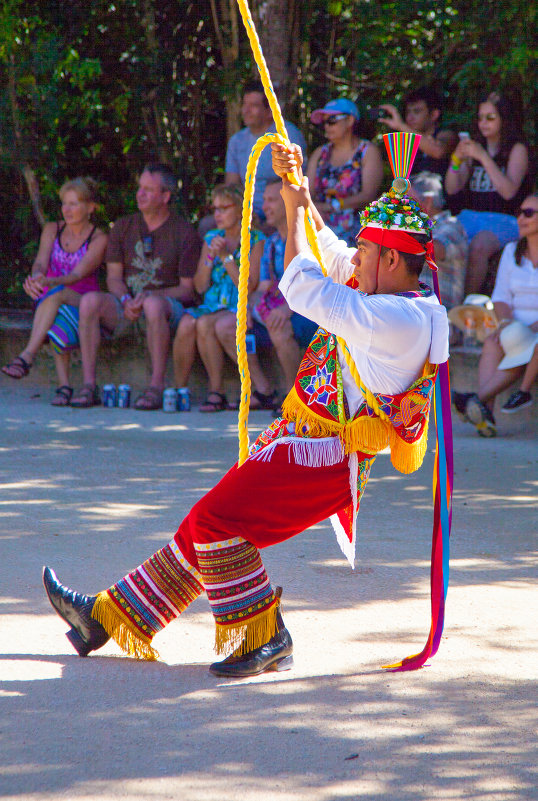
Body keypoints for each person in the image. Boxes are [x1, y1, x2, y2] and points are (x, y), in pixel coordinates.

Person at [42, 137, 449, 680]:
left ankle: (265, 632)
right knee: (200, 527)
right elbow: (328, 249)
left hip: (326, 458)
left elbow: (302, 284)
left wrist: (290, 211)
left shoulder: (397, 319)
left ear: (392, 259)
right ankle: (109, 617)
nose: (357, 258)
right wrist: (295, 196)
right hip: (306, 443)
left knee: (215, 523)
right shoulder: (390, 293)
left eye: (367, 252)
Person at [69, 164, 200, 410]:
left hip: (165, 310)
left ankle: (156, 386)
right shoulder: (123, 226)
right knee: (89, 301)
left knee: (151, 305)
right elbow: (114, 279)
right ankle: (88, 385)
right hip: (127, 306)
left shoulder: (184, 232)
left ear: (165, 196)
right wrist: (126, 300)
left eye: (149, 190)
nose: (140, 194)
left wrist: (150, 295)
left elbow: (187, 290)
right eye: (140, 188)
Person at [1, 178, 107, 405]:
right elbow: (40, 262)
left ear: (91, 208)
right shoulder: (52, 229)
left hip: (83, 301)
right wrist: (37, 277)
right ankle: (64, 387)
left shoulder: (99, 238)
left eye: (74, 204)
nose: (66, 210)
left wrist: (49, 282)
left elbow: (76, 276)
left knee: (57, 293)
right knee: (57, 319)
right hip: (52, 300)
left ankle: (27, 356)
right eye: (64, 204)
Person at [172, 184, 266, 411]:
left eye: (224, 208)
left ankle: (244, 389)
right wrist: (209, 258)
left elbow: (249, 286)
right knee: (194, 322)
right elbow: (200, 285)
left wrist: (225, 257)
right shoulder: (212, 237)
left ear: (242, 209)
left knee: (208, 323)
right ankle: (210, 390)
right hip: (213, 304)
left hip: (238, 305)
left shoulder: (256, 240)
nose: (218, 214)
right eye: (215, 209)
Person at [453, 194, 538, 435]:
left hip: (536, 330)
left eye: (529, 213)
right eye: (520, 212)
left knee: (520, 341)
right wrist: (507, 322)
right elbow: (500, 296)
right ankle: (484, 415)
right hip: (513, 322)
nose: (521, 217)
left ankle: (474, 401)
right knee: (494, 341)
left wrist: (527, 330)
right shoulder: (511, 251)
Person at [444, 92, 531, 295]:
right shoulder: (476, 147)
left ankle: (466, 307)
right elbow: (452, 188)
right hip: (470, 216)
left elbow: (509, 192)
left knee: (480, 245)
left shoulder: (516, 149)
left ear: (504, 119)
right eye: (481, 117)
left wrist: (483, 157)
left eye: (490, 118)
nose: (484, 123)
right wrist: (456, 160)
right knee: (441, 238)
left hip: (505, 219)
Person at [246, 178, 317, 403]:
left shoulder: (311, 238)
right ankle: (261, 390)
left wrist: (288, 309)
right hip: (282, 308)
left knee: (279, 325)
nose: (264, 206)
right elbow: (264, 288)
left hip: (313, 310)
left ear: (288, 203)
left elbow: (320, 284)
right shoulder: (272, 243)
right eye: (264, 200)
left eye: (271, 200)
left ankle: (295, 398)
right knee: (236, 322)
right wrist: (247, 308)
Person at [225, 80, 307, 222]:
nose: (246, 110)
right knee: (206, 226)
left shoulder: (286, 135)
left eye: (254, 106)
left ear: (269, 111)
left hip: (280, 210)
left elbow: (296, 181)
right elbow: (232, 186)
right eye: (244, 104)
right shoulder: (236, 141)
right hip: (246, 213)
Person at [307, 98, 383, 245]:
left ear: (349, 121)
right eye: (325, 122)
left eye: (332, 120)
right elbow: (308, 192)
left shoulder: (367, 151)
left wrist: (333, 206)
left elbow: (368, 195)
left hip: (357, 231)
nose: (327, 126)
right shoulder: (319, 153)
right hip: (319, 226)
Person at [411, 171, 468, 310]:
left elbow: (432, 250)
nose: (401, 208)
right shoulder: (415, 229)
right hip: (413, 310)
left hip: (439, 315)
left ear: (428, 201)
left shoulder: (452, 226)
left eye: (408, 201)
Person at [380, 86, 457, 183]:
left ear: (434, 115)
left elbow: (438, 151)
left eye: (416, 111)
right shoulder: (405, 144)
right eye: (408, 112)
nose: (410, 117)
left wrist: (401, 126)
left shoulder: (447, 134)